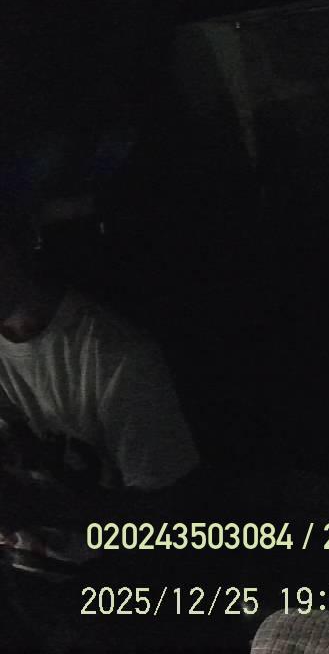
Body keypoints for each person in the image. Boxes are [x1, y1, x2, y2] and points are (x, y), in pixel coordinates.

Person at [0, 199, 200, 648]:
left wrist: (37, 507)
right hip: (20, 567)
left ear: (20, 244)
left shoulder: (117, 356)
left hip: (101, 583)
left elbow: (167, 517)